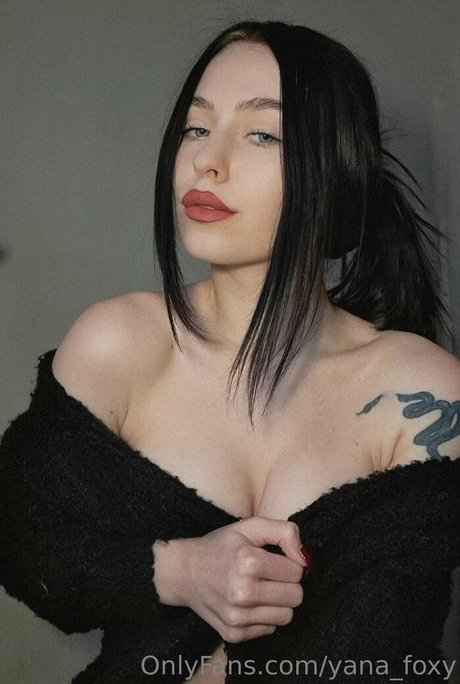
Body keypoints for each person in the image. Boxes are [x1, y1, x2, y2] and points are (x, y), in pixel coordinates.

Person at [1, 19, 459, 684]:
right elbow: (22, 534)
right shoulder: (120, 343)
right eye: (196, 127)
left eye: (261, 134)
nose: (207, 161)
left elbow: (382, 648)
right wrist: (178, 570)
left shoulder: (425, 394)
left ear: (333, 170)